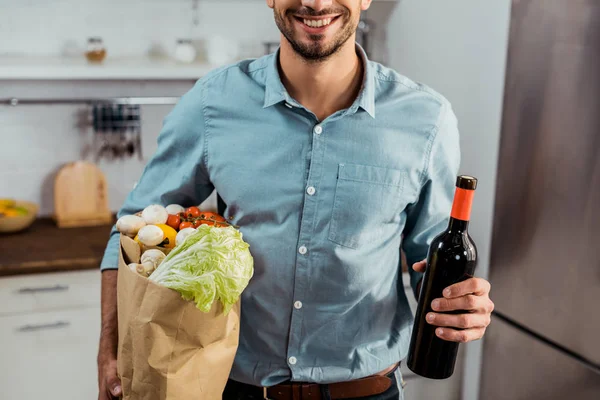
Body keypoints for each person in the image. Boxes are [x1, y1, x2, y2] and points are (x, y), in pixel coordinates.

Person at [97, 1, 495, 399]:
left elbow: (436, 261)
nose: (316, 3)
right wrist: (110, 349)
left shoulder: (427, 120)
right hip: (232, 388)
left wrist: (461, 306)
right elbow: (130, 230)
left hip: (367, 391)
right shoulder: (212, 103)